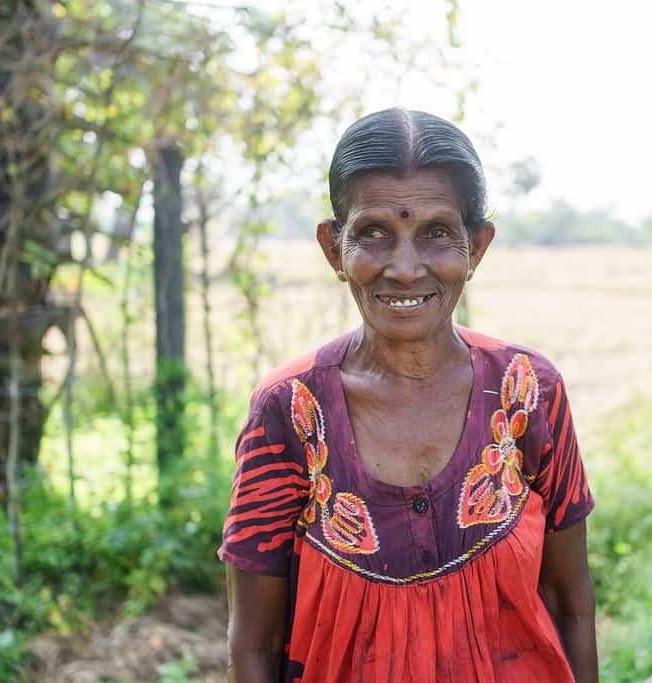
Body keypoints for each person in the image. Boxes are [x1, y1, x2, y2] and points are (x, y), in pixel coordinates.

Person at [218, 108, 598, 683]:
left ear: (477, 247)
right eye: (373, 233)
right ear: (333, 249)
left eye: (437, 233)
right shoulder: (290, 413)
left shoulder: (528, 393)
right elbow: (254, 642)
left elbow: (571, 603)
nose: (403, 267)